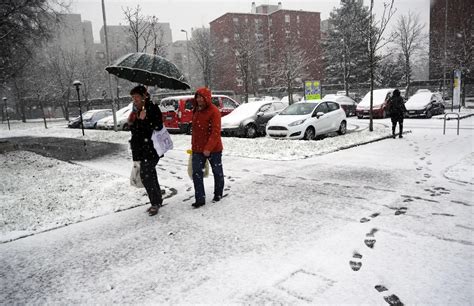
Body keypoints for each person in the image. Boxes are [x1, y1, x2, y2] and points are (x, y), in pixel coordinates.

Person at [128, 85, 164, 216]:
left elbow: (158, 126)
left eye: (136, 97)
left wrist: (145, 119)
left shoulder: (153, 108)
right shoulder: (135, 111)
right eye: (133, 98)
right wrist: (135, 120)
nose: (134, 100)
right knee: (151, 174)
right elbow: (134, 131)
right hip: (141, 150)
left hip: (152, 149)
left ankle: (155, 203)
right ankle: (158, 199)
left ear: (144, 97)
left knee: (146, 175)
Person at [190, 87, 224, 208]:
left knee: (217, 172)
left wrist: (208, 148)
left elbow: (215, 132)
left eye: (201, 97)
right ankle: (200, 198)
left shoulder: (214, 111)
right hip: (197, 149)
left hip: (214, 149)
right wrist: (194, 147)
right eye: (197, 97)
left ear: (207, 98)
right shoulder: (196, 110)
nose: (199, 99)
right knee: (196, 173)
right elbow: (195, 130)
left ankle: (218, 193)